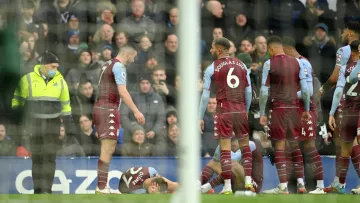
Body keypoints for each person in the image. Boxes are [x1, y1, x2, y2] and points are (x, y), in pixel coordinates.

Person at [11, 51, 75, 194]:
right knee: (38, 159)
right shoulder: (27, 79)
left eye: (57, 67)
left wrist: (69, 124)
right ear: (44, 65)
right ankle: (38, 190)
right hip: (35, 123)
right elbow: (16, 101)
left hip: (53, 124)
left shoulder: (61, 81)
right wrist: (18, 119)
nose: (55, 70)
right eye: (53, 66)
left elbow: (66, 106)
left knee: (50, 158)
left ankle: (47, 190)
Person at [199, 37, 253, 194]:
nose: (210, 50)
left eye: (212, 48)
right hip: (241, 109)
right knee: (245, 146)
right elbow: (248, 91)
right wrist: (246, 110)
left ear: (219, 50)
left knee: (225, 149)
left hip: (224, 110)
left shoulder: (211, 68)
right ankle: (249, 181)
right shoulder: (242, 65)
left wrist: (199, 117)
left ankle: (228, 187)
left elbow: (204, 96)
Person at [259, 36, 310, 194]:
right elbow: (306, 90)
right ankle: (301, 184)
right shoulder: (297, 62)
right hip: (295, 109)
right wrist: (306, 109)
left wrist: (262, 112)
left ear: (271, 49)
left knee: (280, 147)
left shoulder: (269, 63)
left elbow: (263, 91)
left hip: (279, 108)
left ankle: (283, 186)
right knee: (295, 145)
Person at [93, 45, 145, 194]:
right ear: (128, 54)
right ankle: (101, 187)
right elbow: (122, 91)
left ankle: (103, 186)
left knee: (109, 147)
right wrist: (136, 111)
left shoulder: (107, 64)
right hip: (108, 109)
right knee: (107, 148)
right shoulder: (119, 66)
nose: (133, 60)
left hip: (102, 107)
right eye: (133, 56)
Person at [318, 21, 360, 192]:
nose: (342, 34)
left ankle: (340, 182)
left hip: (348, 103)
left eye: (344, 31)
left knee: (346, 142)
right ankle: (338, 182)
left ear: (350, 33)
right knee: (345, 141)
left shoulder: (344, 51)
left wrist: (322, 89)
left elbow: (336, 78)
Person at [282, 36, 325, 194]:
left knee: (309, 146)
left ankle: (320, 185)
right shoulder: (292, 64)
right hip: (295, 110)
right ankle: (292, 185)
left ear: (289, 49)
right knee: (290, 146)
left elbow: (309, 91)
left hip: (307, 110)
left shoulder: (302, 62)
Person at [328, 40, 360, 194]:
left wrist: (331, 113)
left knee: (345, 150)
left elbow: (338, 91)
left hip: (347, 112)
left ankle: (341, 184)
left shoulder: (345, 68)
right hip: (358, 111)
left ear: (351, 52)